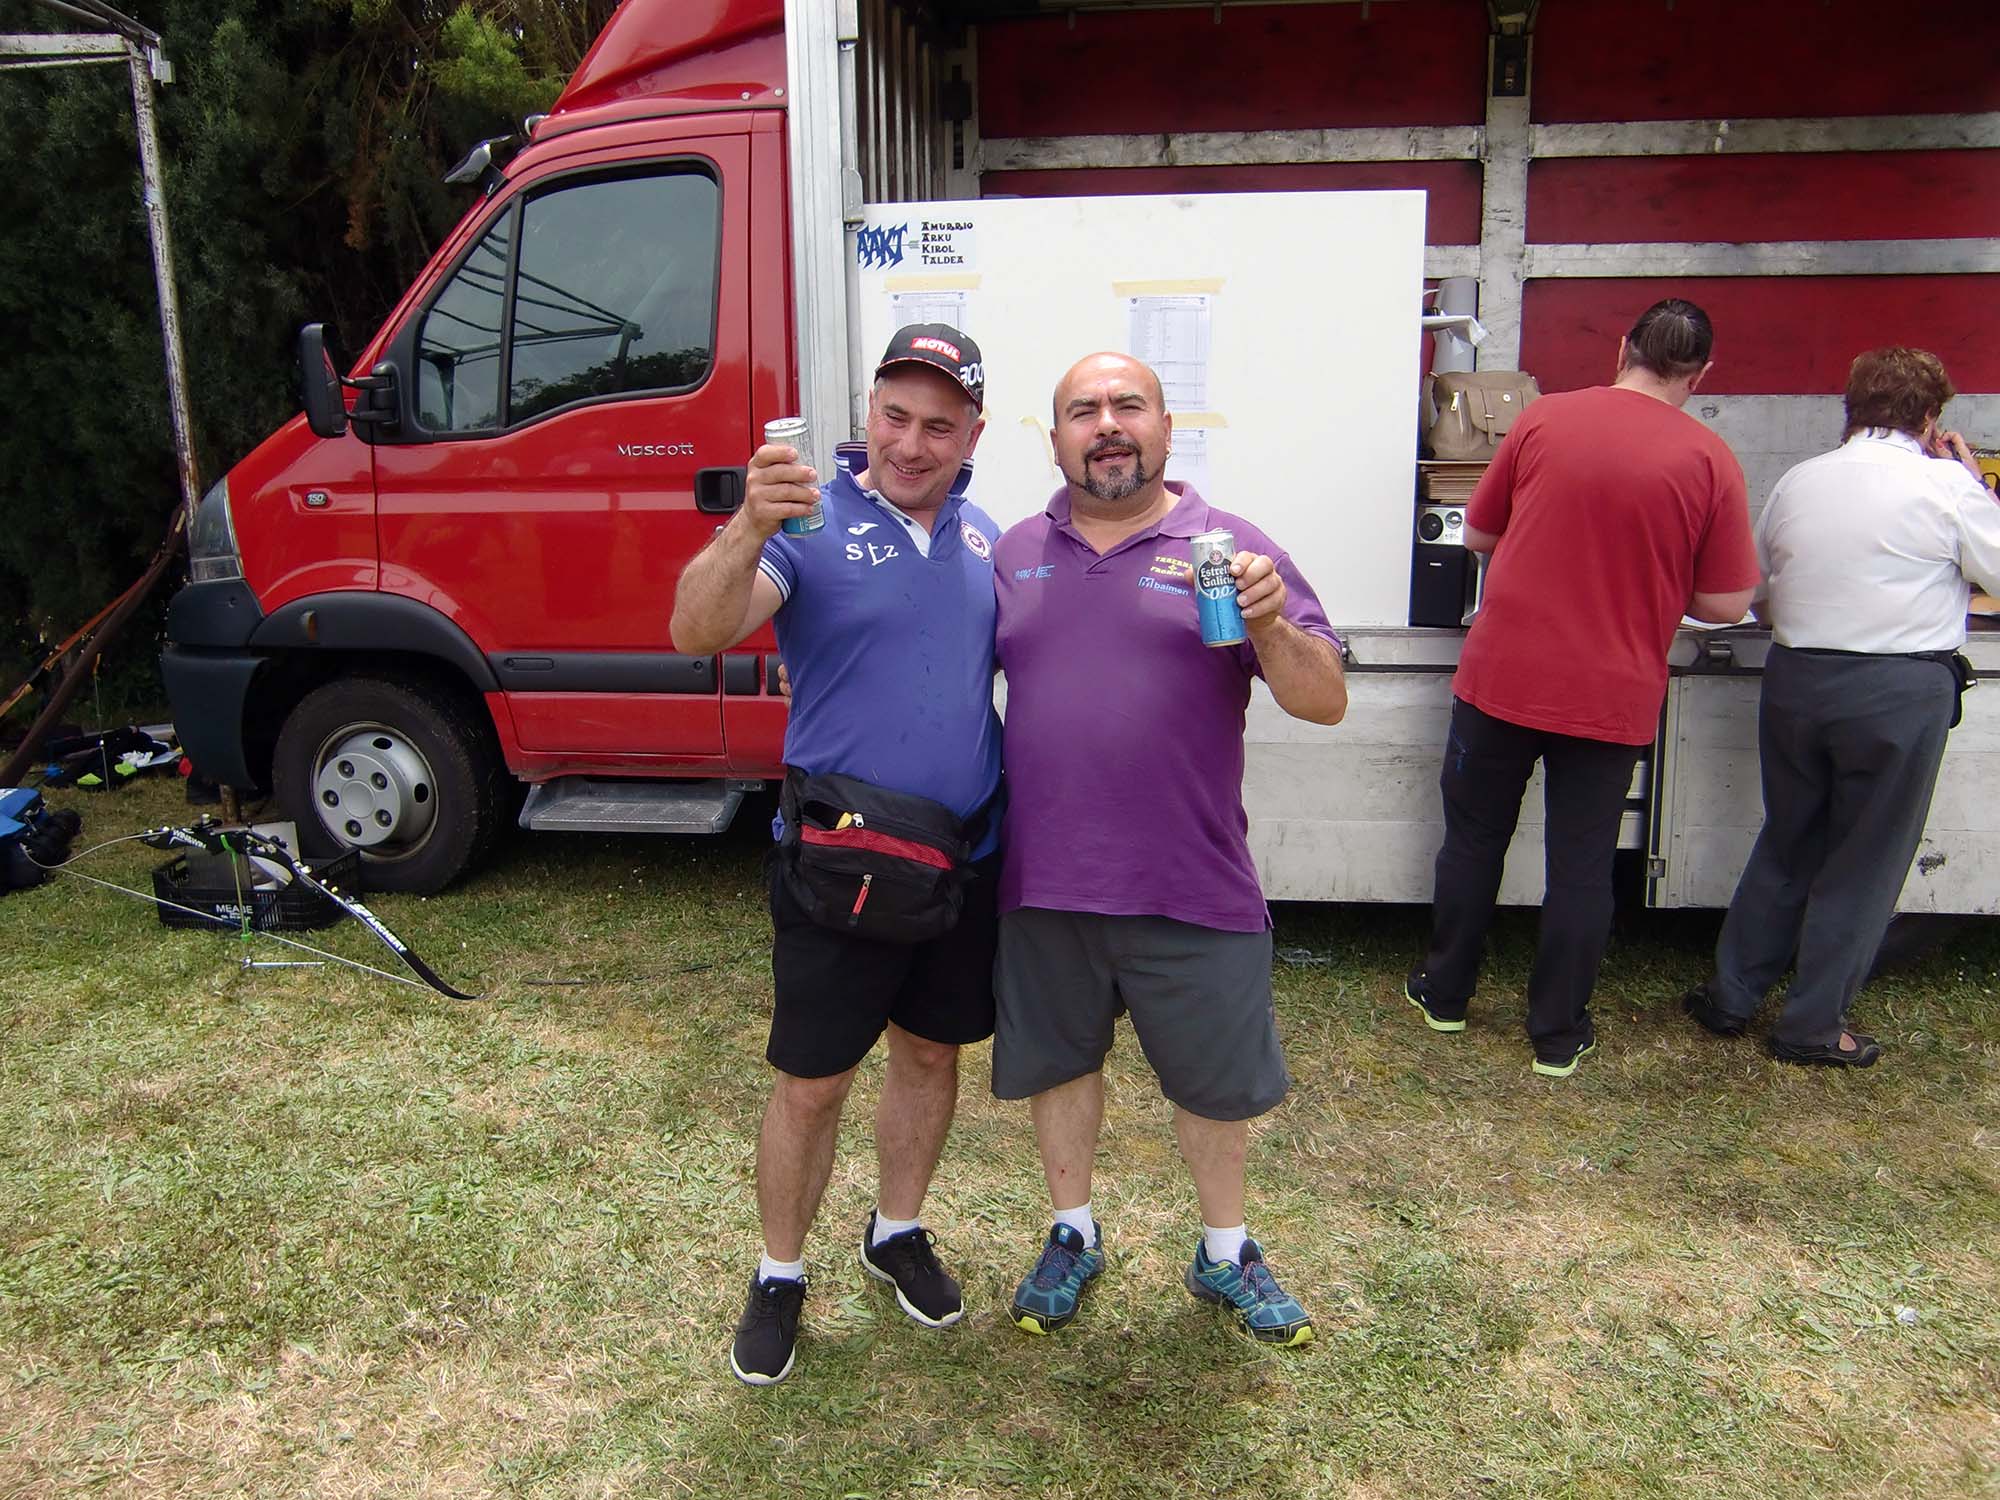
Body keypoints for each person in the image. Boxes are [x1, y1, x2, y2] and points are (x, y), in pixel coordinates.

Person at [990, 351, 1347, 1346]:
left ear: (1165, 428)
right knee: (1060, 1065)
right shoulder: (1012, 552)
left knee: (1213, 1084)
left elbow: (1324, 699)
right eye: (1083, 410)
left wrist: (1269, 626)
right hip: (1045, 881)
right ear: (1054, 438)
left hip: (1191, 876)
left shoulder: (1231, 547)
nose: (1106, 424)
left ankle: (1225, 1249)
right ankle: (1071, 1230)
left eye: (1127, 406)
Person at [669, 324, 1000, 1385]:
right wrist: (744, 526)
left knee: (931, 1055)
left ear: (971, 435)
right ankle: (778, 1272)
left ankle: (895, 1229)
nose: (911, 443)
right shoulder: (806, 522)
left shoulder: (989, 538)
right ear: (869, 413)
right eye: (895, 416)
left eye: (938, 425)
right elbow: (696, 630)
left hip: (960, 861)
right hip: (840, 866)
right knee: (812, 1085)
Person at [1405, 299, 1759, 1077]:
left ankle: (1445, 994)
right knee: (1582, 865)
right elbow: (1728, 602)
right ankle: (1557, 1034)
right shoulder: (1710, 458)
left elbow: (1479, 533)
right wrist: (1656, 577)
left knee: (1473, 840)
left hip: (1502, 676)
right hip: (1612, 692)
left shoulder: (1543, 419)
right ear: (1701, 374)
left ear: (1623, 347)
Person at [1682, 347, 2000, 1067]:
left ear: (1850, 408)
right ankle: (1812, 1023)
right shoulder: (1945, 486)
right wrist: (1973, 482)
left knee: (1788, 839)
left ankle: (1731, 994)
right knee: (1865, 861)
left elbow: (1758, 589)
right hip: (1897, 689)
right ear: (1930, 417)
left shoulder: (1801, 479)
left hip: (1798, 678)